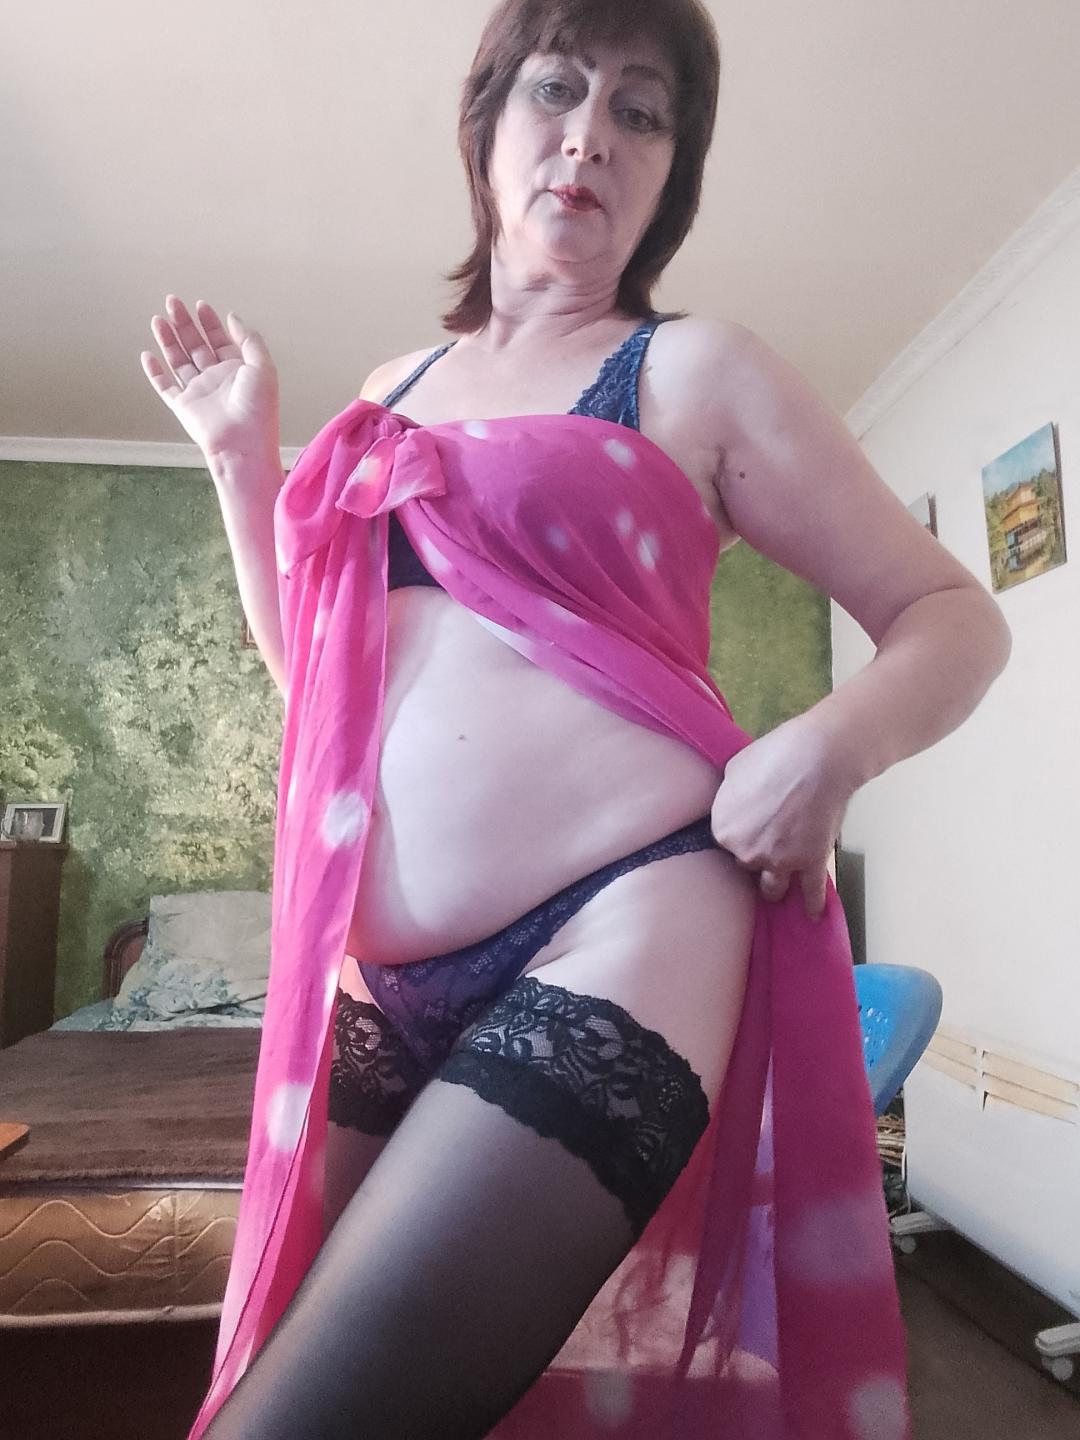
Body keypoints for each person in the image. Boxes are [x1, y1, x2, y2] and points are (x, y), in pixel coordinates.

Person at [140, 2, 1011, 1436]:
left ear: (672, 174)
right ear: (486, 128)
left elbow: (953, 615)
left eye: (641, 110)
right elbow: (322, 694)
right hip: (383, 983)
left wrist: (828, 748)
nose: (591, 134)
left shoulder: (694, 369)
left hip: (618, 927)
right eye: (556, 89)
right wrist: (242, 458)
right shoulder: (387, 395)